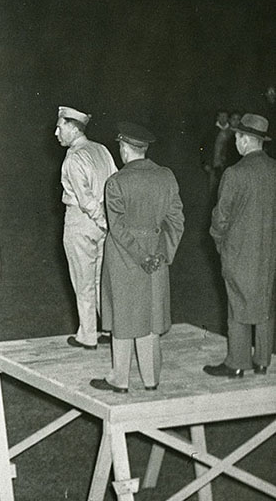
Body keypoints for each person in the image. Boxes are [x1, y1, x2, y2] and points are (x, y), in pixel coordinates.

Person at [91, 123, 184, 393]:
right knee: (151, 314)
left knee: (123, 315)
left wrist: (141, 256)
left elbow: (117, 228)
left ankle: (119, 379)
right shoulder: (166, 176)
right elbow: (176, 220)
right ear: (144, 149)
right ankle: (151, 379)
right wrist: (161, 254)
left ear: (124, 148)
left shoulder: (117, 182)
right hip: (156, 255)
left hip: (123, 257)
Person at [205, 113, 276, 378]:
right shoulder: (274, 170)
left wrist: (219, 240)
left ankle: (237, 362)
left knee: (238, 305)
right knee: (264, 304)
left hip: (239, 250)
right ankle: (262, 361)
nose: (235, 141)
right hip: (268, 251)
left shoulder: (235, 173)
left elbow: (221, 217)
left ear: (247, 140)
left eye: (238, 136)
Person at [55, 105, 117, 350]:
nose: (57, 133)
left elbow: (86, 199)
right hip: (103, 223)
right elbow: (114, 184)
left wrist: (101, 219)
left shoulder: (74, 158)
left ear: (72, 127)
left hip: (81, 222)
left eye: (60, 127)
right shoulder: (101, 150)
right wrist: (110, 223)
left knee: (83, 280)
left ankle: (88, 335)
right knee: (102, 280)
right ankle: (109, 330)